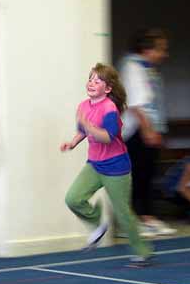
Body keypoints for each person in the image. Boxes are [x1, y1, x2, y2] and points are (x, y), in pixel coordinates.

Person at [61, 63, 153, 268]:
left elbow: (106, 137)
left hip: (116, 167)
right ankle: (98, 224)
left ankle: (142, 251)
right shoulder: (83, 106)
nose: (92, 83)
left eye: (98, 80)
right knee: (73, 198)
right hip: (94, 164)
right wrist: (73, 142)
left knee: (122, 212)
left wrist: (88, 126)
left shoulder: (109, 109)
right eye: (90, 79)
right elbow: (82, 131)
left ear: (108, 88)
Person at [119, 28, 176, 237]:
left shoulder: (147, 68)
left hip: (148, 127)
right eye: (161, 49)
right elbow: (136, 103)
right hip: (136, 130)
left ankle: (147, 217)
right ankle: (131, 221)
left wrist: (157, 129)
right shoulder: (132, 67)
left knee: (148, 174)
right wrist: (148, 130)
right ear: (146, 49)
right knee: (137, 175)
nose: (165, 54)